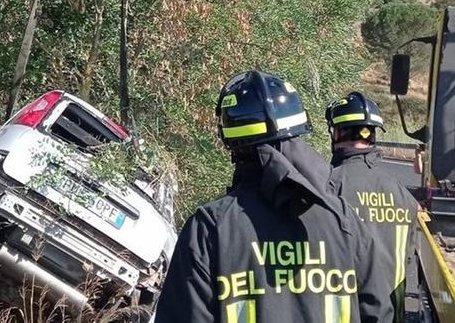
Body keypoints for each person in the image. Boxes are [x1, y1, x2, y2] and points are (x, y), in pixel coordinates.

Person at [156, 71, 394, 323]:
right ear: (298, 128)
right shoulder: (343, 220)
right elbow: (378, 313)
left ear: (232, 141)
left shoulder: (210, 228)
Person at [326, 91, 420, 323]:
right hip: (392, 315)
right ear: (373, 135)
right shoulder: (403, 195)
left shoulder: (327, 187)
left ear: (337, 132)